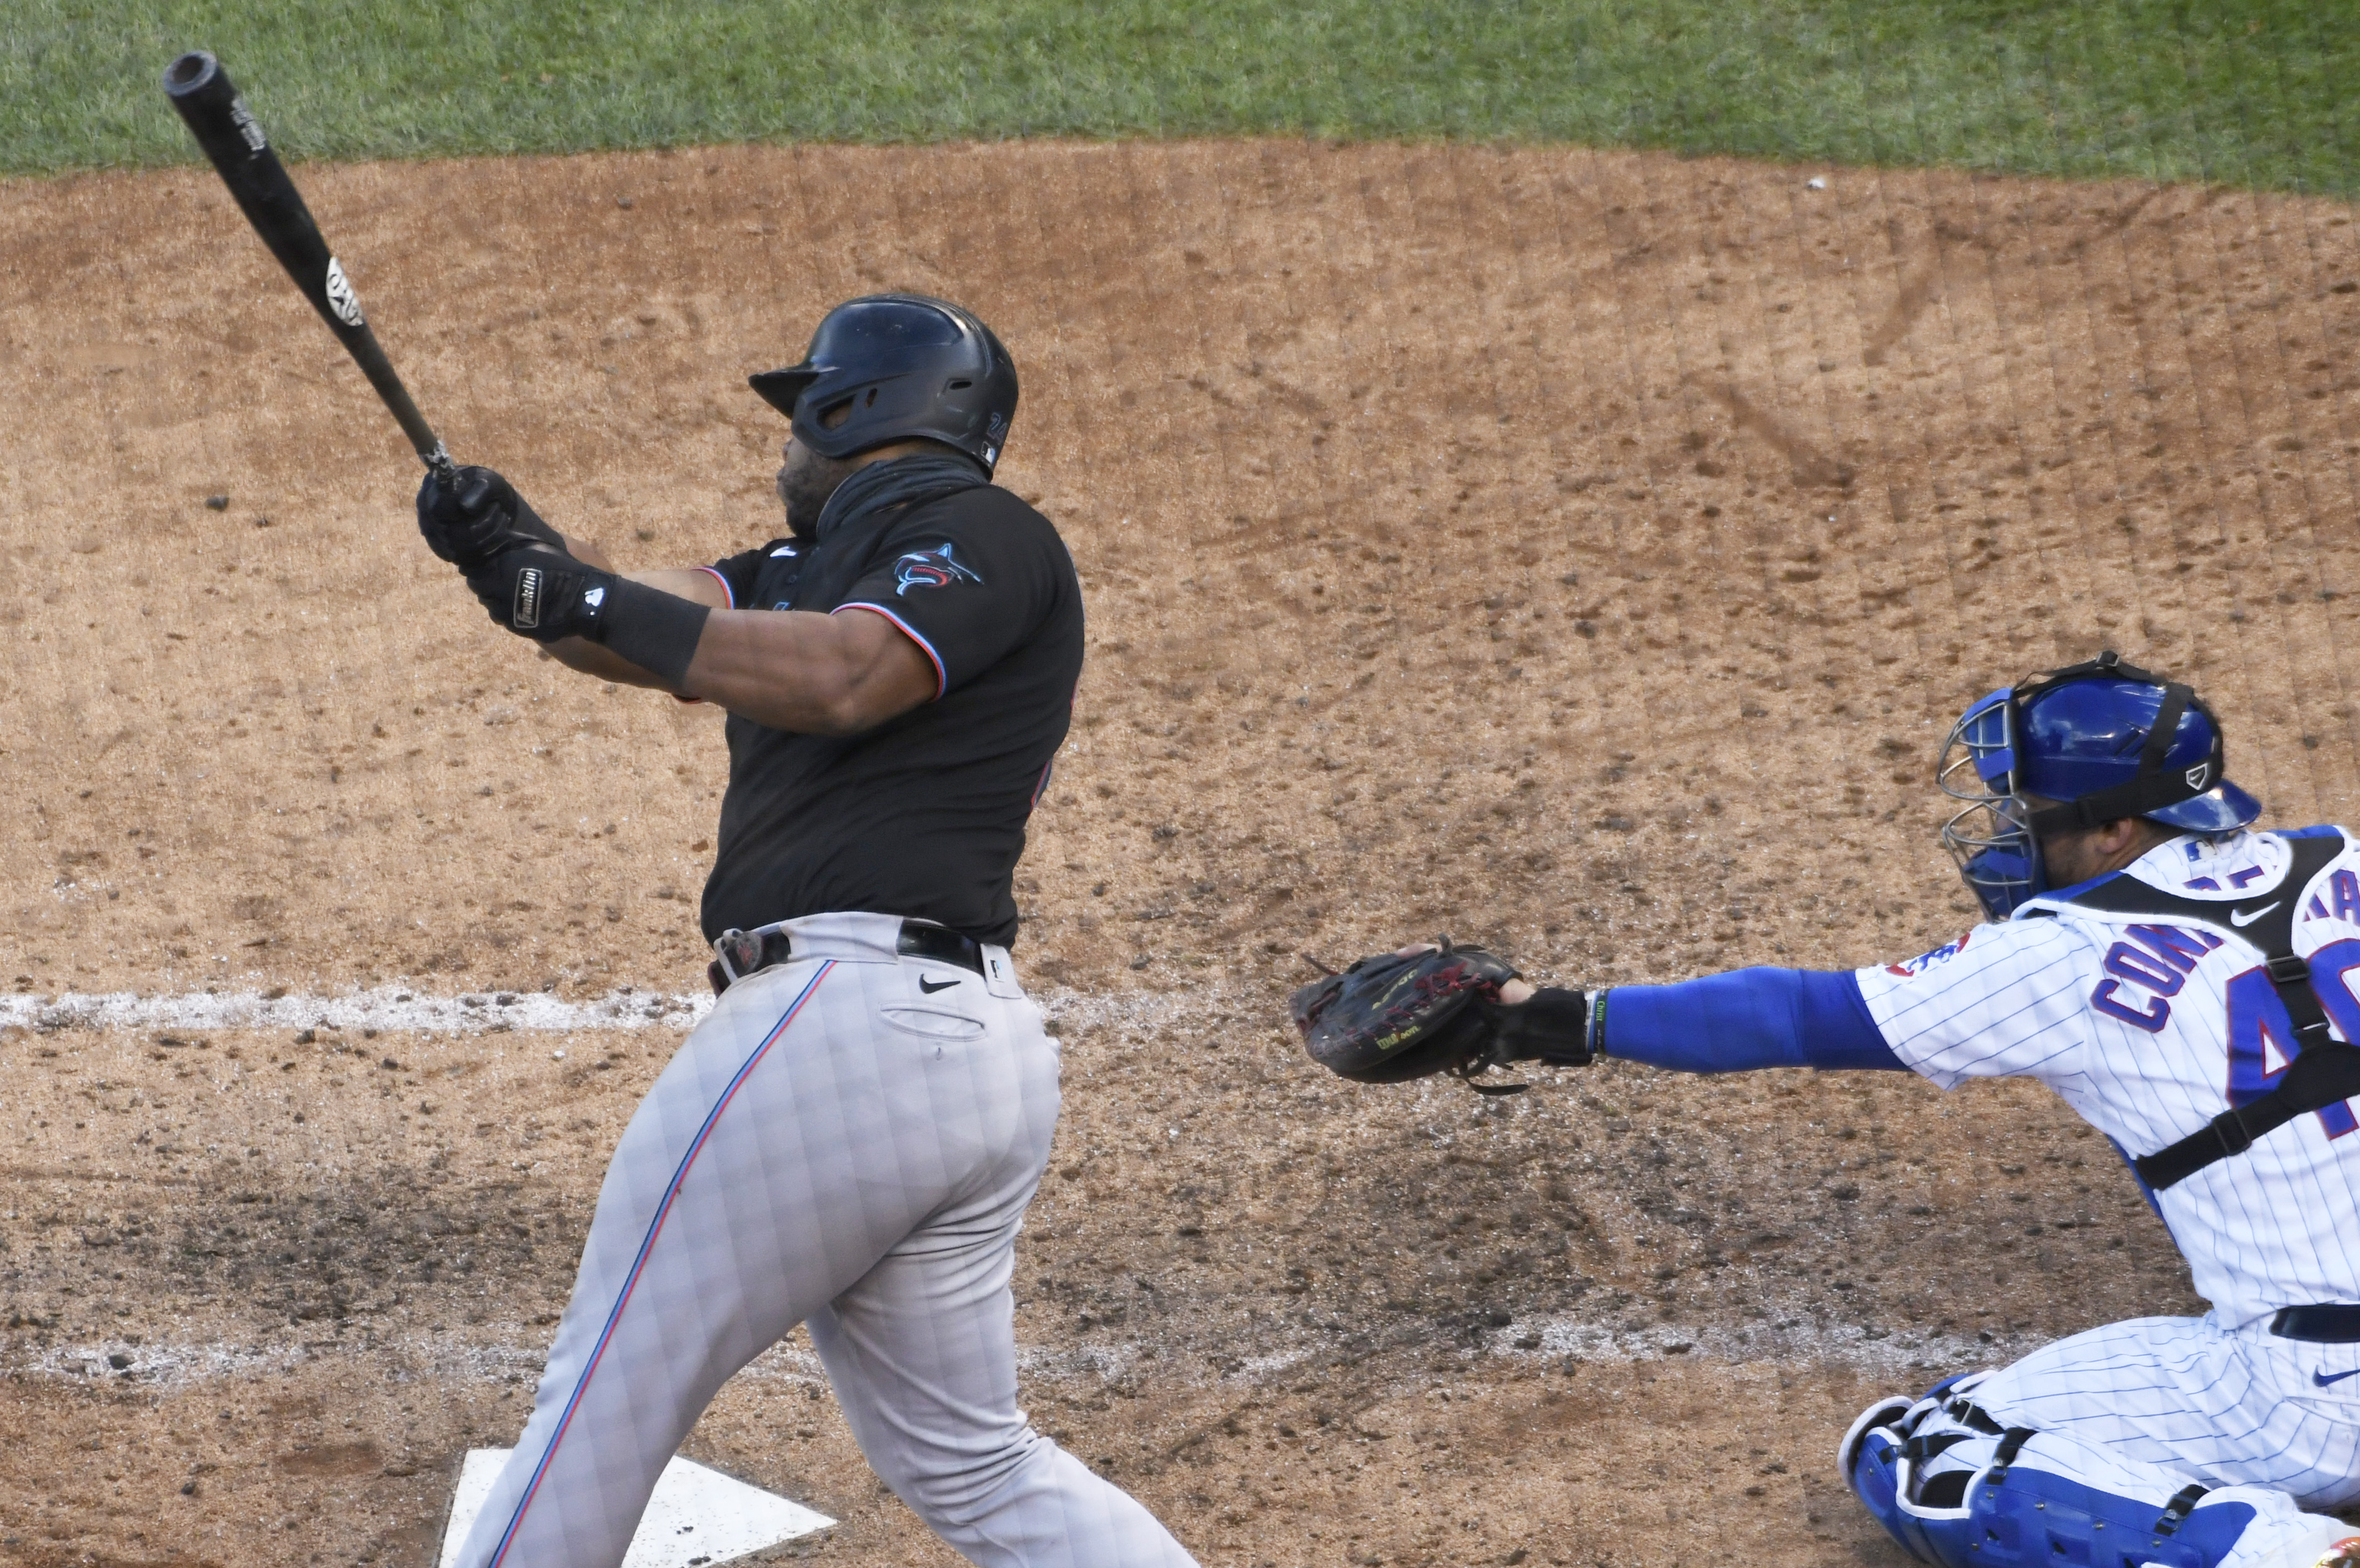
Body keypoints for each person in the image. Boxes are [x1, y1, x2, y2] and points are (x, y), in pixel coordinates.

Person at [412, 293, 1197, 1568]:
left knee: (601, 1409)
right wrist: (507, 556)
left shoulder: (984, 535)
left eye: (800, 416)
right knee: (977, 1463)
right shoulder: (788, 573)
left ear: (857, 407)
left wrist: (584, 599)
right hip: (948, 1061)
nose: (784, 448)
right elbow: (639, 618)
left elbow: (843, 675)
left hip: (844, 1032)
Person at [1364, 652, 2360, 1568]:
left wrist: (1550, 1021)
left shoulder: (2061, 958)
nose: (2011, 831)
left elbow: (1797, 1015)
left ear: (2116, 829)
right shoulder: (2342, 861)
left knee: (1927, 1451)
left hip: (2311, 1404)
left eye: (2033, 813)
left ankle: (2276, 1555)